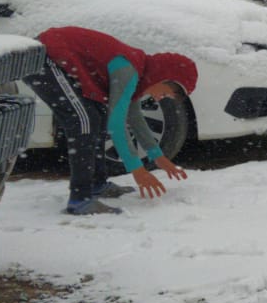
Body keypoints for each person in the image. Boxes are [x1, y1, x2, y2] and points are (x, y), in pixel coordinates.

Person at [26, 26, 197, 216]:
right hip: (43, 58)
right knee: (84, 121)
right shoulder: (129, 70)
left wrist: (157, 156)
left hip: (52, 58)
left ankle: (97, 184)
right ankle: (80, 199)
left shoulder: (138, 74)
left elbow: (133, 117)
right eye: (165, 93)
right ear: (164, 76)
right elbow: (117, 124)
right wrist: (137, 169)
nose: (159, 98)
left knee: (96, 118)